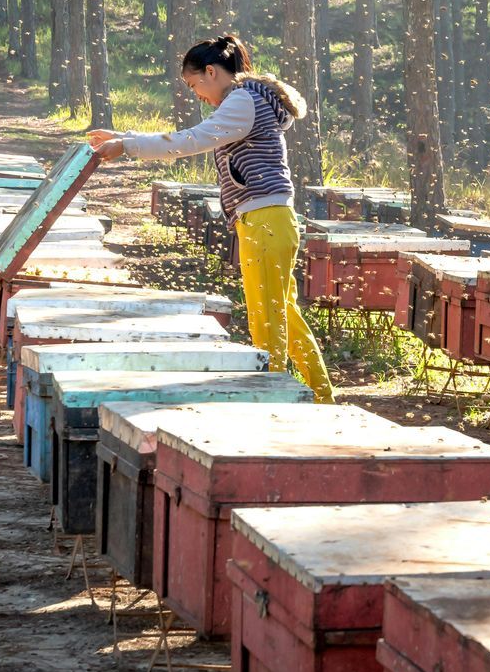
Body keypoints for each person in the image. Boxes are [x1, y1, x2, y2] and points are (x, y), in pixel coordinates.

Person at [87, 35, 334, 405]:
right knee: (284, 315)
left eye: (193, 85)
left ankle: (275, 401)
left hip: (265, 220)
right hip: (269, 220)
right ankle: (321, 398)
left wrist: (128, 145)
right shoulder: (248, 99)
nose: (196, 94)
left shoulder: (242, 100)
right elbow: (194, 136)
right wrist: (125, 137)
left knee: (266, 321)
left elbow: (191, 140)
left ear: (211, 71)